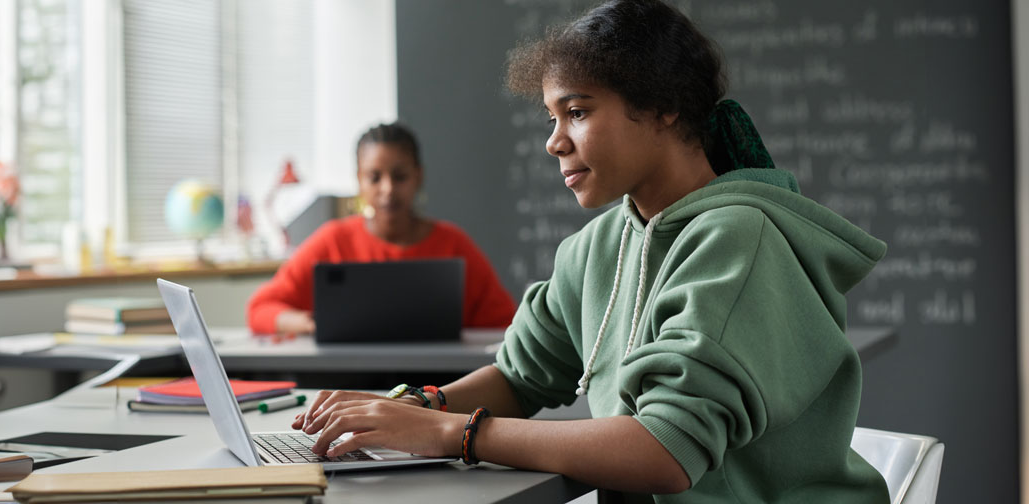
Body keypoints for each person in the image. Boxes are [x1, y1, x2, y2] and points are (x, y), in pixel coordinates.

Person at [289, 1, 892, 502]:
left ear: (662, 106)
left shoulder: (738, 240)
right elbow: (521, 375)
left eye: (576, 112)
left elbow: (665, 451)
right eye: (551, 118)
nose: (554, 142)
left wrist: (453, 433)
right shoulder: (599, 245)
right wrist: (409, 408)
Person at [246, 123, 517, 336]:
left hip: (438, 388)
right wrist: (310, 323)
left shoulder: (453, 244)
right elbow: (260, 309)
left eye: (400, 177)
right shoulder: (333, 241)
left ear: (418, 177)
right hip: (349, 384)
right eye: (374, 177)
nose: (387, 189)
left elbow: (507, 324)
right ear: (359, 181)